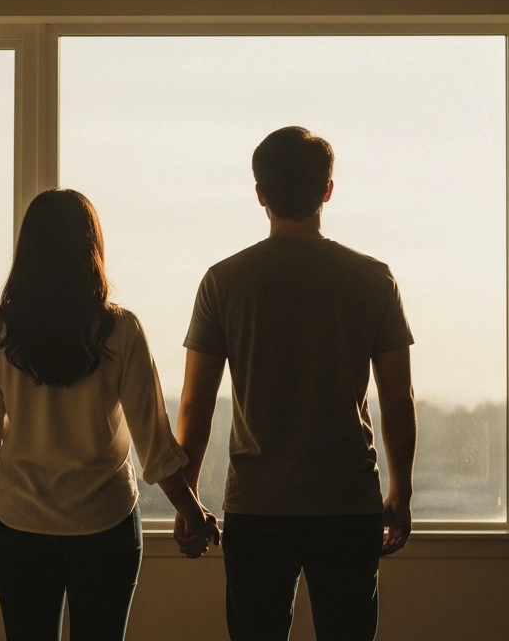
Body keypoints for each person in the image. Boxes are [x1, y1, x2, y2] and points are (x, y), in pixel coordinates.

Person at [174, 127, 417, 641]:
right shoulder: (374, 279)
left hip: (257, 506)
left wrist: (188, 497)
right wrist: (401, 490)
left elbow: (196, 408)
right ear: (328, 189)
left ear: (260, 194)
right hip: (348, 501)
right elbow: (398, 399)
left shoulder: (224, 281)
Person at [0, 188, 221, 641]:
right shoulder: (120, 330)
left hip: (20, 529)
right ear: (91, 248)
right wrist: (192, 512)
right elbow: (154, 445)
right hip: (106, 526)